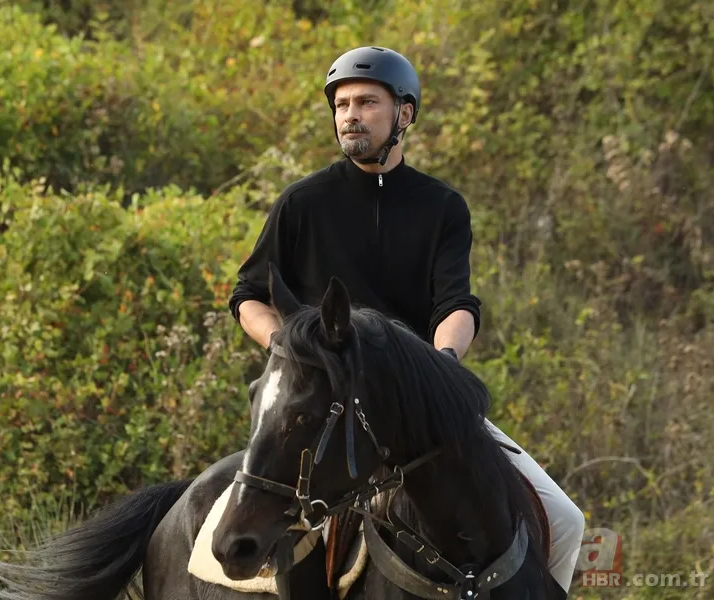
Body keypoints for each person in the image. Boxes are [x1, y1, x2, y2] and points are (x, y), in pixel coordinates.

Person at [226, 46, 585, 595]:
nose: (350, 115)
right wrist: (295, 346)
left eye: (366, 102)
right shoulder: (302, 203)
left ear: (405, 114)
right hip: (325, 408)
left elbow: (456, 304)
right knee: (293, 540)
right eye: (342, 104)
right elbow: (249, 295)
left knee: (566, 519)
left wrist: (440, 368)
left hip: (416, 402)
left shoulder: (443, 206)